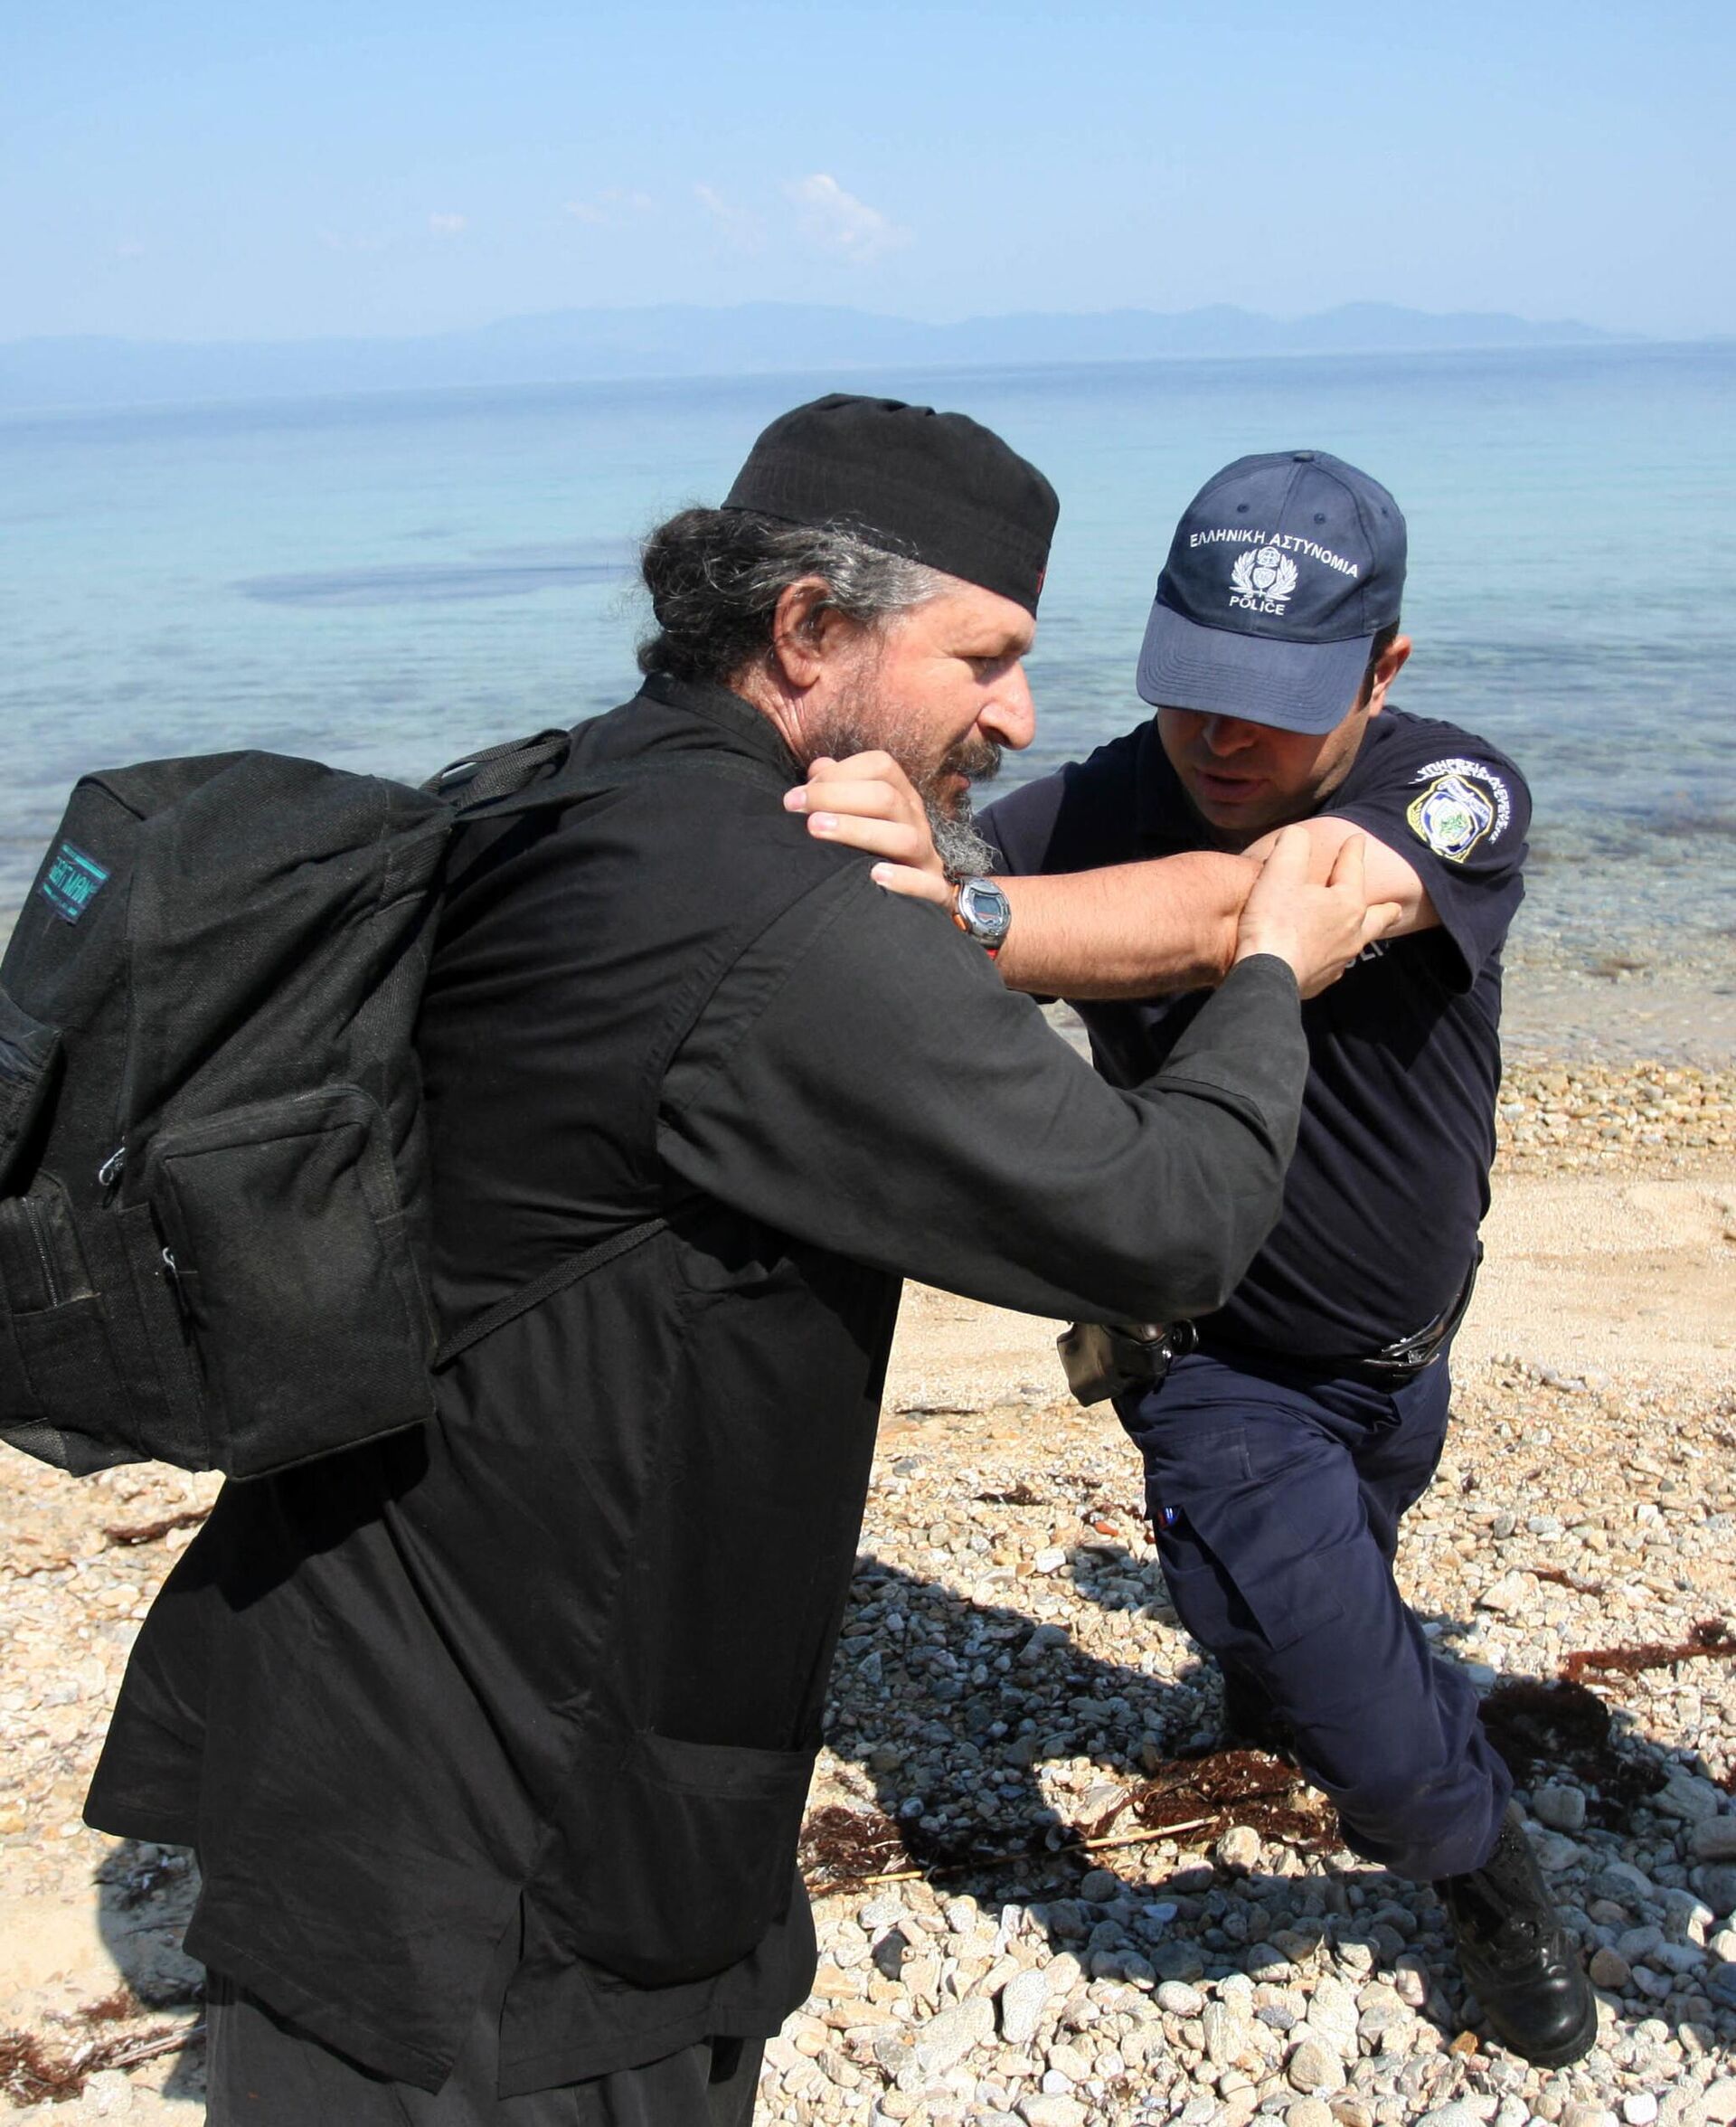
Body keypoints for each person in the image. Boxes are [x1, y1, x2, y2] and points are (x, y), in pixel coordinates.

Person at [82, 400, 1389, 2125]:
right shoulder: (772, 914)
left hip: (368, 1700)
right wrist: (1272, 961)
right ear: (808, 629)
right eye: (985, 658)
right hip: (511, 1848)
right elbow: (1170, 1219)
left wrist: (956, 909)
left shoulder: (576, 783)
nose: (1021, 714)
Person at [793, 449, 1596, 2069]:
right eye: (1195, 689)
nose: (1224, 737)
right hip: (1216, 1360)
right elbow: (885, 894)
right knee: (1365, 1696)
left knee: (1312, 1603)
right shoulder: (1108, 801)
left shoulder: (1458, 790)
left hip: (1405, 1352)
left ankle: (1273, 1683)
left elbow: (1268, 908)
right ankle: (1485, 1873)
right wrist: (876, 824)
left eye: (1276, 702)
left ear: (1383, 670)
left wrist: (970, 912)